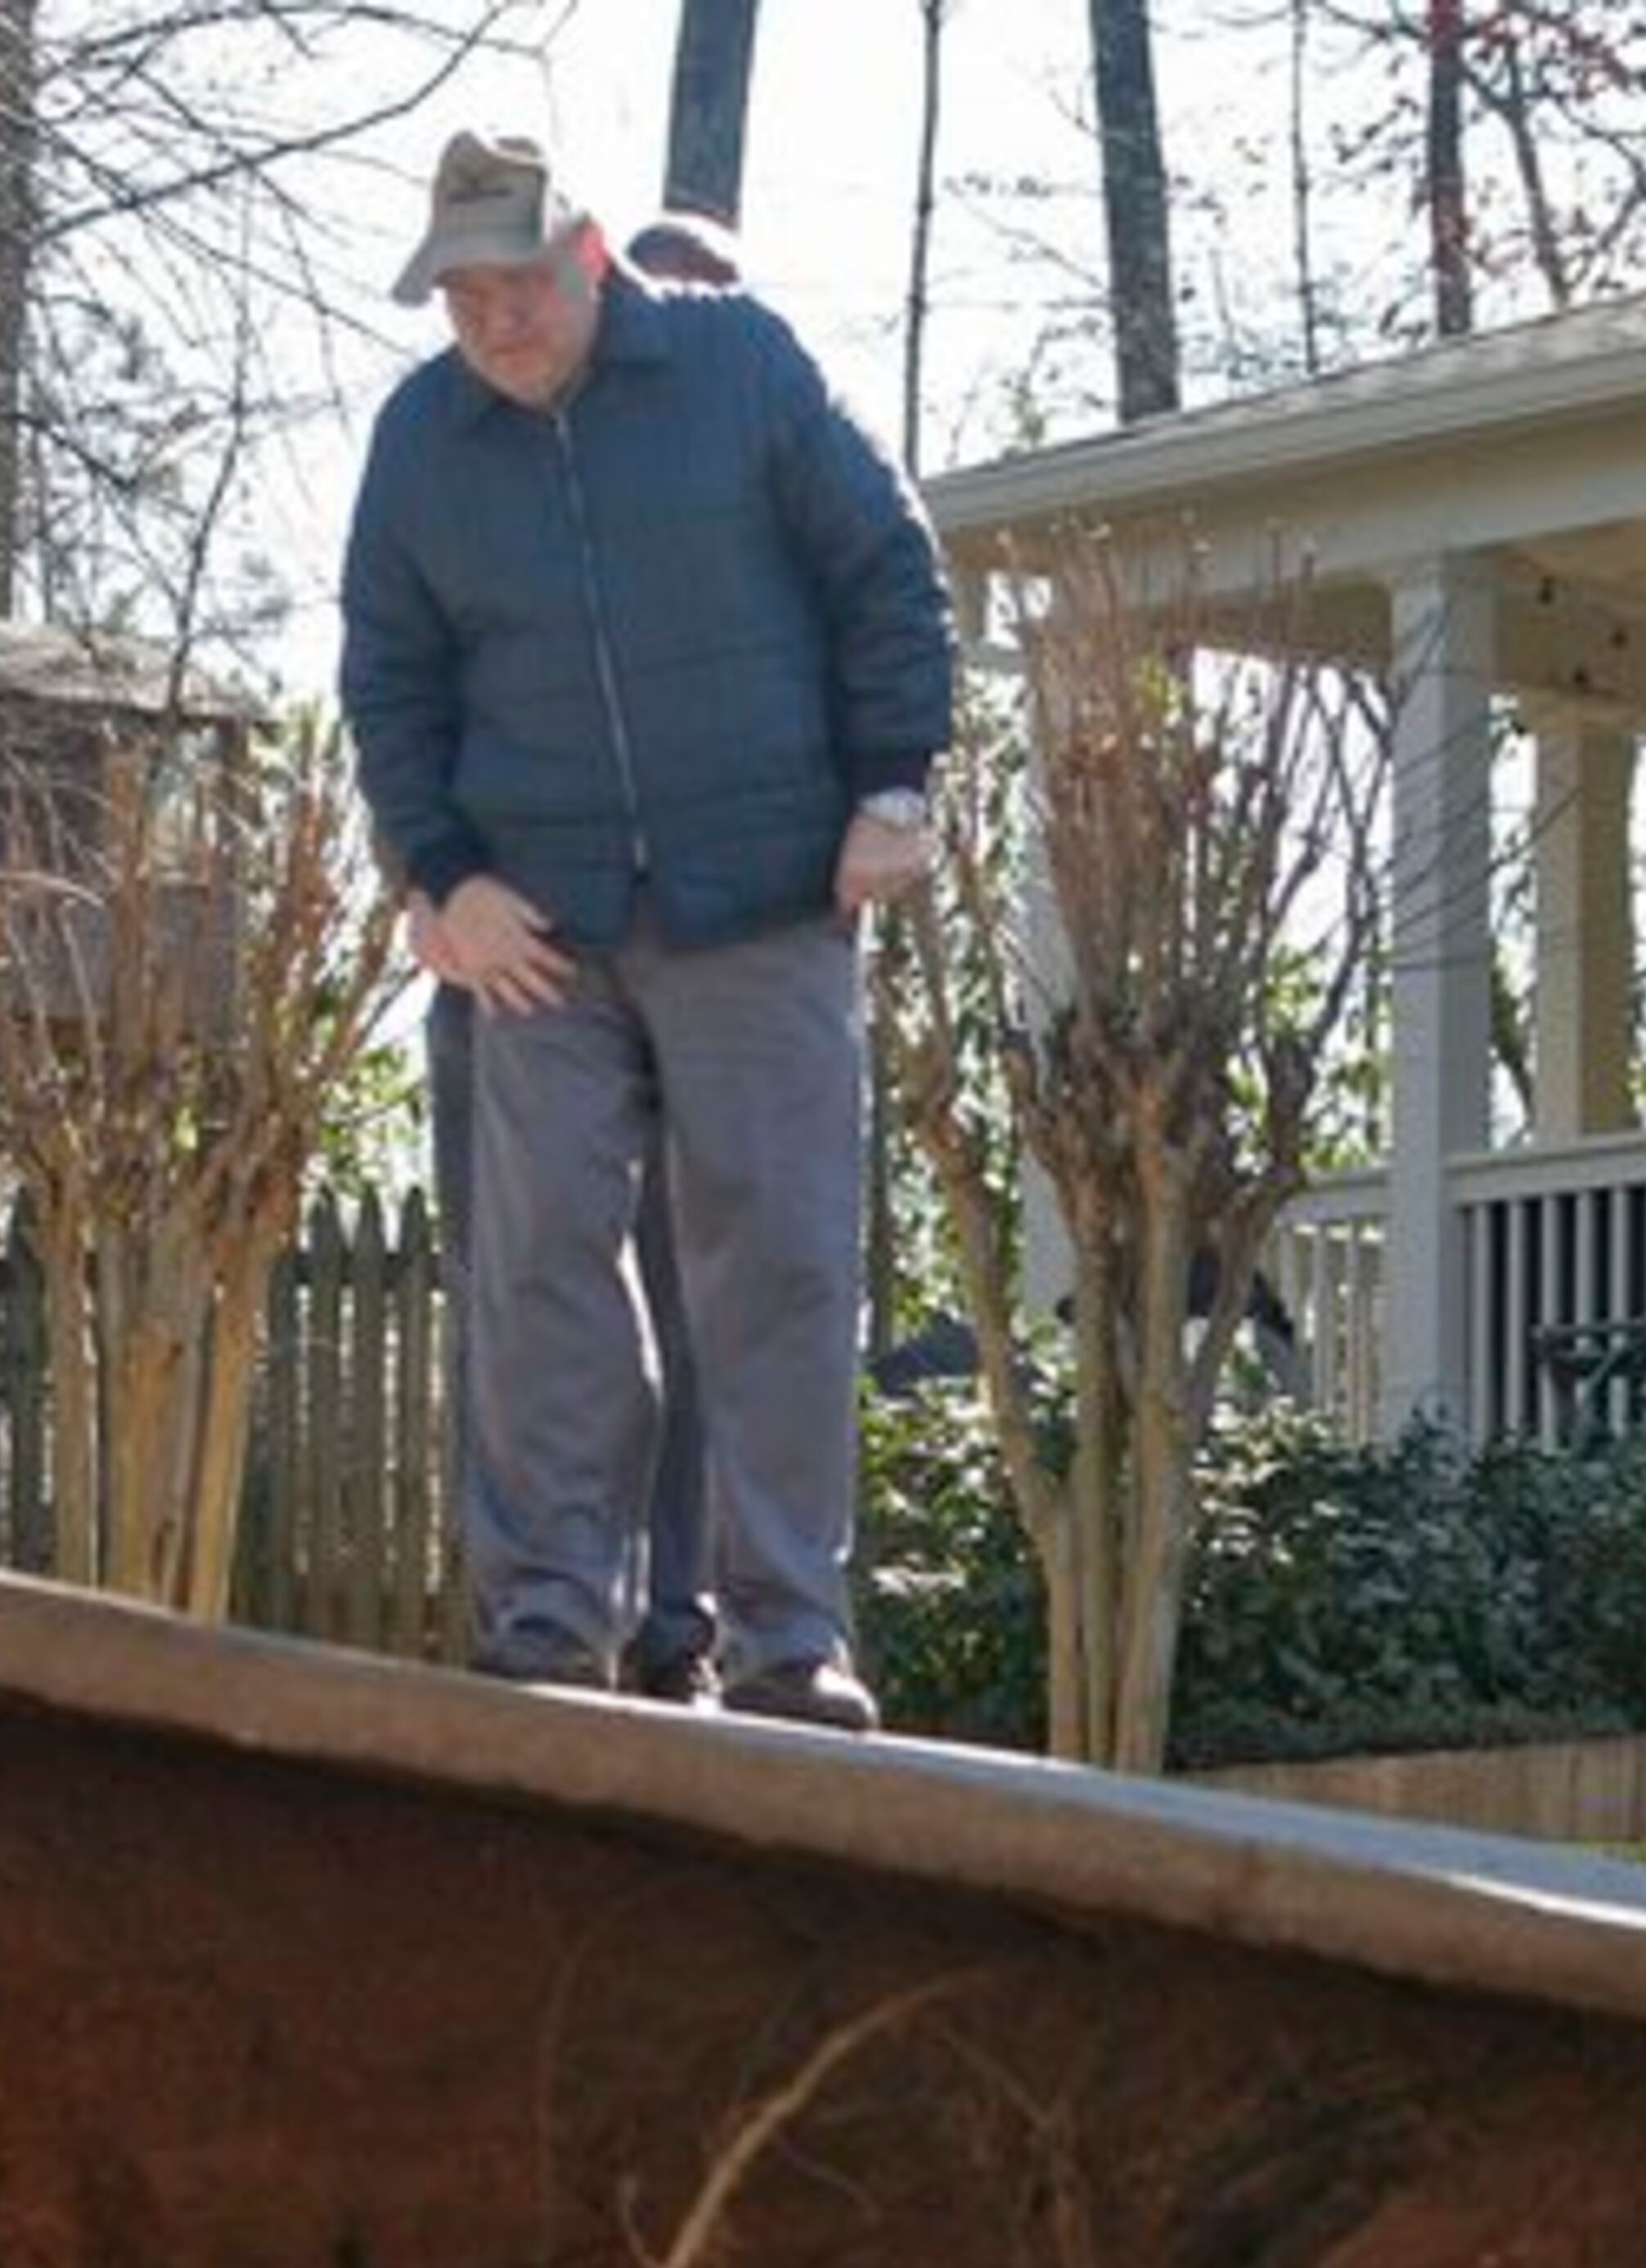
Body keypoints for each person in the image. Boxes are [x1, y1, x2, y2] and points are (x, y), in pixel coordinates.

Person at [340, 128, 955, 1731]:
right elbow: (390, 684)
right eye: (461, 295)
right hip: (537, 923)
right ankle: (548, 1619)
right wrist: (440, 876)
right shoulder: (422, 443)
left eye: (519, 284)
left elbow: (887, 568)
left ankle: (788, 1637)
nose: (493, 321)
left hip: (762, 898)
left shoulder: (739, 368)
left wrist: (894, 783)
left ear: (591, 256)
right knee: (538, 1269)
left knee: (782, 1270)